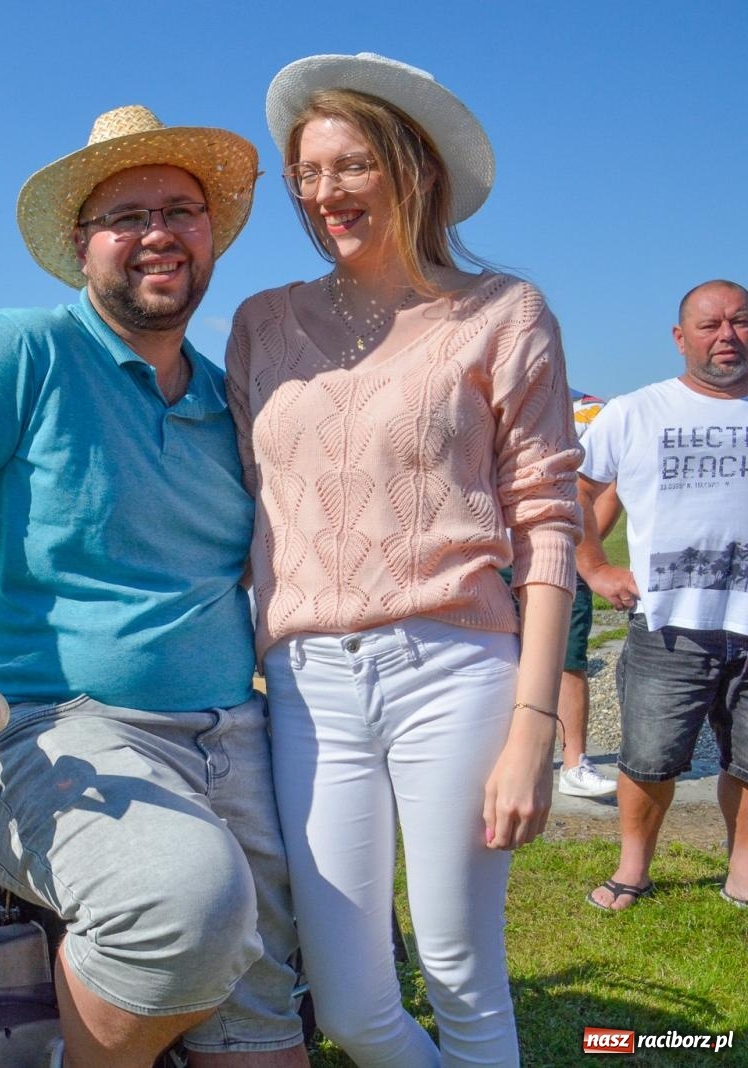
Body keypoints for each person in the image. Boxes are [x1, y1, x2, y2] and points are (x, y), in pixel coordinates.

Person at [0, 106, 305, 1066]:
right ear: (82, 244)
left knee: (267, 1028)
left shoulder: (232, 401)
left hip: (235, 729)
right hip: (57, 722)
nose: (158, 233)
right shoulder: (19, 351)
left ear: (211, 236)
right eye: (127, 215)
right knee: (186, 907)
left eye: (181, 209)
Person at [227, 54, 581, 1065]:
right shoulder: (262, 324)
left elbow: (547, 523)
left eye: (351, 166)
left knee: (462, 976)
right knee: (344, 1006)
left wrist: (532, 730)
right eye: (307, 172)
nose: (325, 193)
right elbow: (245, 503)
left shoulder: (503, 314)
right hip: (305, 686)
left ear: (413, 170)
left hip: (453, 672)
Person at [578, 279, 748, 912]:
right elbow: (576, 491)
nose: (726, 336)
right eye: (709, 325)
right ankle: (632, 871)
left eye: (740, 321)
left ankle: (742, 871)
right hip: (668, 624)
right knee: (648, 759)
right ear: (681, 339)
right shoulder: (635, 411)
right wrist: (593, 565)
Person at [505, 390, 620, 798]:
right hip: (492, 551)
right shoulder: (485, 393)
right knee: (490, 656)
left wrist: (583, 547)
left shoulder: (592, 410)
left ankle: (574, 763)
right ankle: (498, 757)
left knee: (568, 656)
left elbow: (607, 486)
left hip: (558, 553)